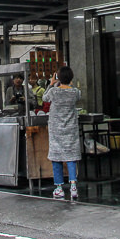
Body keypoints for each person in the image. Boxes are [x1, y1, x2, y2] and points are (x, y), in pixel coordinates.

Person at [42, 65, 81, 201]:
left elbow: (44, 98)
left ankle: (59, 188)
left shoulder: (53, 92)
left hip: (56, 130)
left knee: (56, 158)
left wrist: (51, 84)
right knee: (71, 157)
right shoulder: (75, 92)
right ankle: (73, 186)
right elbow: (77, 96)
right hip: (70, 129)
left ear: (58, 77)